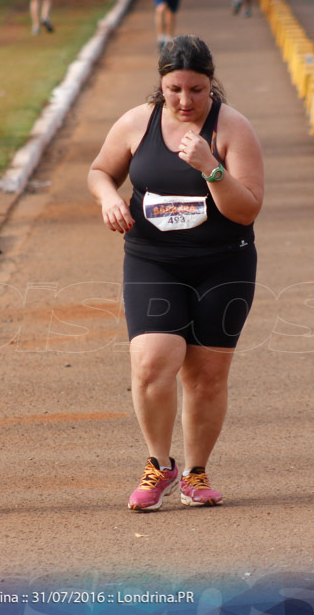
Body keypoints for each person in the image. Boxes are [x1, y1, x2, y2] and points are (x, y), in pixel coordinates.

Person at [87, 35, 264, 511]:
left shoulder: (233, 129)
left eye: (197, 90)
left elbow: (247, 210)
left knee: (206, 376)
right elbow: (100, 171)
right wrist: (107, 198)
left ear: (211, 85)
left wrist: (211, 168)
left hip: (223, 262)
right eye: (175, 90)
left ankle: (196, 472)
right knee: (151, 360)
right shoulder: (136, 122)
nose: (185, 101)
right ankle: (158, 464)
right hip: (153, 258)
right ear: (161, 85)